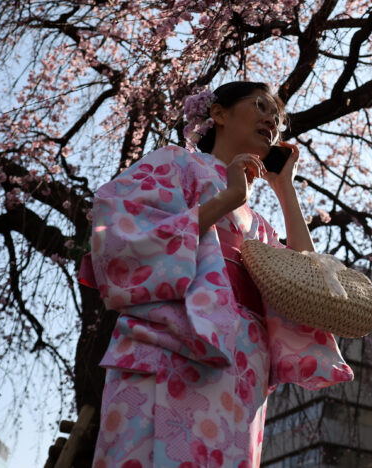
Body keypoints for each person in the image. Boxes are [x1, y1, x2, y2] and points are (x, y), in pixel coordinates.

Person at [78, 81, 354, 468]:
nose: (271, 120)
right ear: (219, 114)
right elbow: (122, 237)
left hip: (241, 362)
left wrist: (284, 188)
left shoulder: (258, 224)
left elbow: (311, 285)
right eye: (260, 106)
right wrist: (228, 199)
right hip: (171, 342)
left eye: (276, 118)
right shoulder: (175, 162)